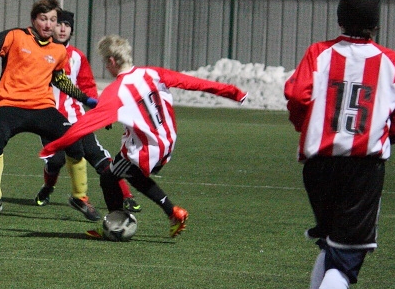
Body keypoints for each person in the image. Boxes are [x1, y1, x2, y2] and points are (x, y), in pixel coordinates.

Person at [284, 0, 395, 289]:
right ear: (375, 23)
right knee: (347, 257)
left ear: (339, 18)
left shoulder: (318, 53)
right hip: (362, 168)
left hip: (318, 165)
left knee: (332, 240)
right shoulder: (389, 62)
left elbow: (296, 95)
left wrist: (305, 128)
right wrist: (380, 134)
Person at [41, 34, 247, 238]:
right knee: (123, 174)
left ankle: (142, 218)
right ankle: (167, 213)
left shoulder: (116, 91)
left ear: (112, 61)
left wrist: (54, 146)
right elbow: (194, 83)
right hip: (167, 140)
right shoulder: (152, 73)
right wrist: (233, 92)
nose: (106, 67)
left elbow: (85, 124)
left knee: (110, 178)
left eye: (105, 62)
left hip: (145, 148)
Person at [0, 0, 99, 221]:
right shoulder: (15, 36)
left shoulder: (59, 51)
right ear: (34, 20)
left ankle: (80, 197)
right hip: (10, 104)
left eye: (53, 20)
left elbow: (60, 80)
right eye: (44, 19)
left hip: (42, 107)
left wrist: (84, 98)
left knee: (73, 140)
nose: (49, 24)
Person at [34, 10, 140, 213]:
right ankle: (48, 188)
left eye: (67, 25)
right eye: (59, 24)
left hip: (77, 118)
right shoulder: (41, 52)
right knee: (55, 160)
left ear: (72, 30)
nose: (63, 28)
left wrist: (101, 111)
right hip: (49, 118)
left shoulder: (77, 56)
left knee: (97, 156)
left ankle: (126, 196)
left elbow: (87, 86)